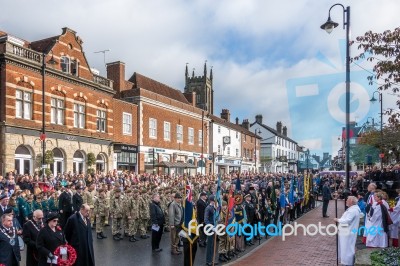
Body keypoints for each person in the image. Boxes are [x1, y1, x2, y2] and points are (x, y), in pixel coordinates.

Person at [334, 196, 361, 266]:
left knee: (347, 248)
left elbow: (347, 220)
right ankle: (345, 261)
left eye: (347, 200)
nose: (346, 201)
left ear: (351, 202)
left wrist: (338, 220)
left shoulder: (353, 210)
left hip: (348, 232)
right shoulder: (352, 209)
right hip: (347, 231)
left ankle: (347, 262)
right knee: (345, 247)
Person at [204, 195, 218, 266]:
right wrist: (212, 227)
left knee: (213, 245)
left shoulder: (214, 208)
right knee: (210, 245)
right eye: (214, 200)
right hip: (210, 228)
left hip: (215, 227)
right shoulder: (208, 208)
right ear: (211, 201)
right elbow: (206, 219)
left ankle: (212, 259)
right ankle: (208, 260)